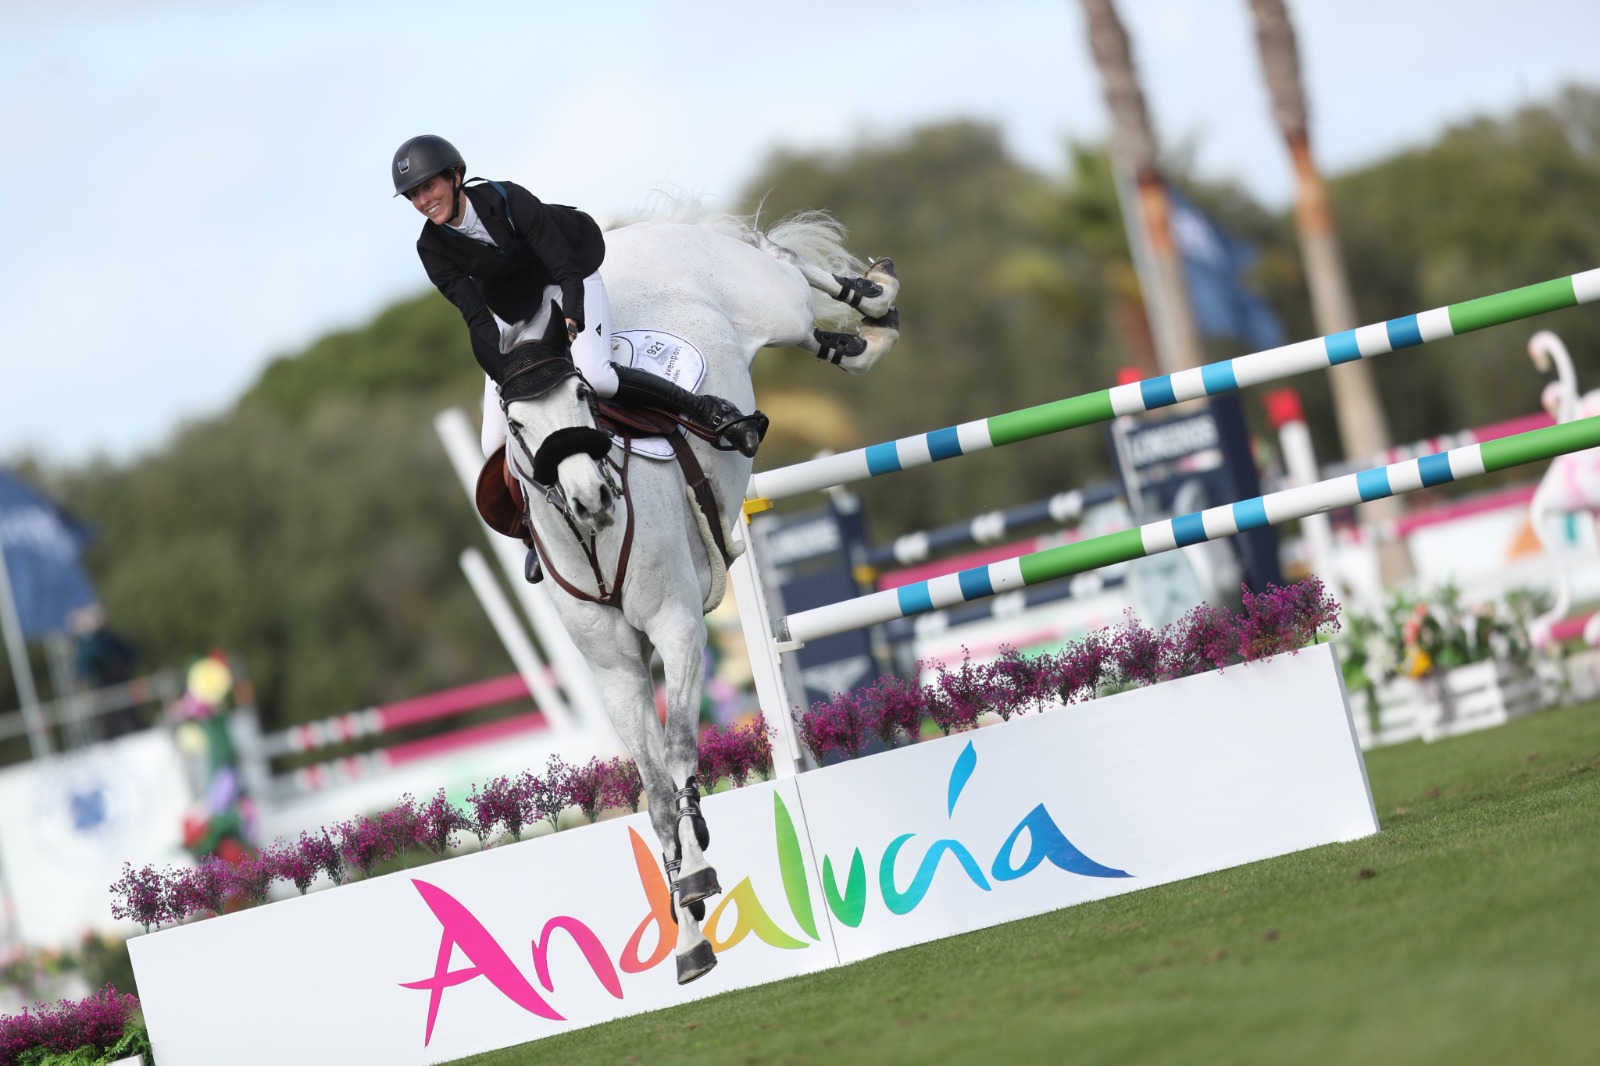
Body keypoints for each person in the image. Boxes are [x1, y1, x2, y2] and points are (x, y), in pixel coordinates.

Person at [392, 134, 765, 462]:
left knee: (597, 377)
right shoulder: (431, 248)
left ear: (455, 177)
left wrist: (572, 317)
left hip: (568, 278)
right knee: (493, 444)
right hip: (517, 313)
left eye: (429, 187)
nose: (423, 201)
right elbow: (476, 317)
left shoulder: (508, 199)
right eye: (414, 195)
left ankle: (712, 412)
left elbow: (565, 268)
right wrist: (505, 370)